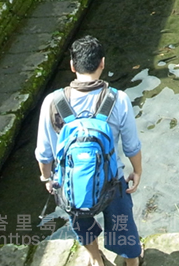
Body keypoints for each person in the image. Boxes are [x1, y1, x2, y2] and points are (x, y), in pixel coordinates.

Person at [35, 36, 143, 266]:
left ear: (72, 66)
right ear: (102, 63)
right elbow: (131, 145)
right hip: (112, 181)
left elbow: (44, 151)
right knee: (122, 222)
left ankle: (95, 258)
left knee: (80, 220)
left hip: (70, 182)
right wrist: (137, 171)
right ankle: (131, 261)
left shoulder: (52, 102)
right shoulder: (118, 99)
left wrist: (47, 177)